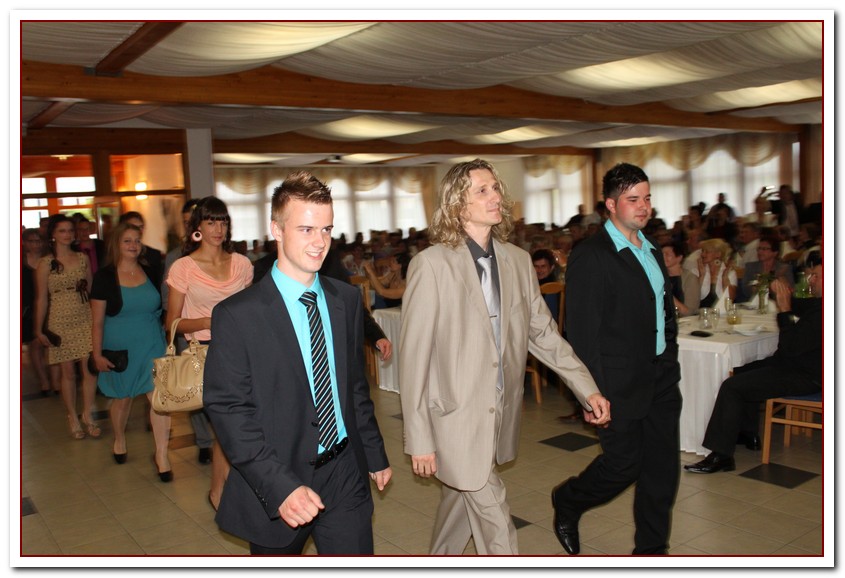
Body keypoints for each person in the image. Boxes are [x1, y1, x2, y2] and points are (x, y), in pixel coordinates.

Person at [399, 159, 609, 555]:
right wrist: (419, 437)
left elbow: (542, 334)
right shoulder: (431, 265)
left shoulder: (517, 261)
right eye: (483, 190)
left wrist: (587, 389)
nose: (496, 196)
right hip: (453, 417)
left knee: (461, 501)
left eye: (495, 188)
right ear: (457, 204)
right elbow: (414, 360)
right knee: (495, 519)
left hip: (500, 411)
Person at [203, 171, 392, 555]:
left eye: (326, 230)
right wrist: (279, 487)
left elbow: (354, 387)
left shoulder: (345, 300)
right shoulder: (239, 315)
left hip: (345, 470)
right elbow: (229, 410)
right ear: (276, 229)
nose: (319, 242)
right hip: (280, 474)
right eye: (306, 229)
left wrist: (373, 453)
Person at [552, 162, 682, 556]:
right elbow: (581, 334)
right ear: (611, 204)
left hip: (661, 377)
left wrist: (669, 357)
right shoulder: (592, 255)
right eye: (633, 199)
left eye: (647, 198)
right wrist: (588, 393)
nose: (644, 207)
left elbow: (664, 312)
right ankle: (569, 499)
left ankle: (652, 551)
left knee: (662, 470)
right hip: (617, 382)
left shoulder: (651, 247)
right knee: (624, 465)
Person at [685, 251, 822, 474]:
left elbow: (790, 346)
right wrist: (780, 293)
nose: (811, 280)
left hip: (807, 375)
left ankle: (721, 455)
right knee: (740, 371)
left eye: (816, 276)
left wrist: (785, 310)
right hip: (797, 366)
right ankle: (748, 433)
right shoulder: (821, 304)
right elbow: (802, 306)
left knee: (732, 386)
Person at [165, 196, 253, 507]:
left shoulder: (242, 264)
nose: (218, 228)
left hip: (241, 352)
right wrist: (207, 321)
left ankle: (222, 489)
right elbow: (171, 322)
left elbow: (249, 311)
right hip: (204, 352)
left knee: (236, 426)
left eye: (222, 221)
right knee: (226, 427)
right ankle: (218, 492)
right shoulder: (184, 267)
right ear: (198, 227)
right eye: (211, 221)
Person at [89, 223, 171, 479]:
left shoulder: (151, 270)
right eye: (127, 240)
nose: (134, 245)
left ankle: (162, 455)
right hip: (120, 347)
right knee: (123, 399)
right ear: (116, 244)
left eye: (137, 240)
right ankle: (119, 438)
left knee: (158, 399)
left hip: (152, 343)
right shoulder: (104, 277)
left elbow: (162, 306)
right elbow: (97, 321)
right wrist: (97, 354)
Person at [33, 214, 101, 440]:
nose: (67, 234)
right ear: (53, 234)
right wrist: (39, 329)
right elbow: (41, 298)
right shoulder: (45, 263)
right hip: (60, 319)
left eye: (70, 230)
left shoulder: (82, 258)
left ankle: (88, 414)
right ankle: (72, 416)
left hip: (84, 315)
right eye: (62, 230)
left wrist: (98, 319)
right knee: (68, 372)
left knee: (89, 368)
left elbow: (91, 289)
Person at [22, 228, 57, 396]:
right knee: (35, 344)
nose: (36, 244)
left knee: (50, 343)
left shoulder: (50, 260)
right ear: (24, 243)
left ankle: (54, 380)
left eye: (38, 241)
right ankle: (44, 380)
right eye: (32, 241)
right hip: (27, 309)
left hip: (50, 306)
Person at [736, 234, 794, 303]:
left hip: (778, 303)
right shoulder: (750, 266)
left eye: (764, 249)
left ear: (775, 252)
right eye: (759, 248)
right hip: (754, 303)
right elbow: (745, 290)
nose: (759, 252)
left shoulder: (784, 268)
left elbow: (790, 289)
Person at [118, 211, 164, 291]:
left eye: (141, 227)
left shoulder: (153, 254)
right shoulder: (113, 257)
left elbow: (158, 286)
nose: (138, 230)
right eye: (134, 227)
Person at [695, 238, 737, 309]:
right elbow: (693, 297)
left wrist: (724, 278)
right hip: (701, 312)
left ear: (718, 254)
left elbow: (730, 299)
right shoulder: (697, 270)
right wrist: (701, 276)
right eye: (702, 251)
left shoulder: (730, 272)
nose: (702, 254)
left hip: (722, 312)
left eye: (707, 252)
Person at [662, 242, 699, 317]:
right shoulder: (660, 276)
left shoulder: (689, 278)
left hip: (684, 320)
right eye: (661, 254)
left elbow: (690, 311)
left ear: (679, 257)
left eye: (667, 254)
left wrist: (667, 293)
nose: (663, 257)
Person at [532, 248, 560, 321]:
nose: (539, 270)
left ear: (552, 267)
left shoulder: (554, 288)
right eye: (536, 266)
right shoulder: (532, 284)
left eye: (543, 266)